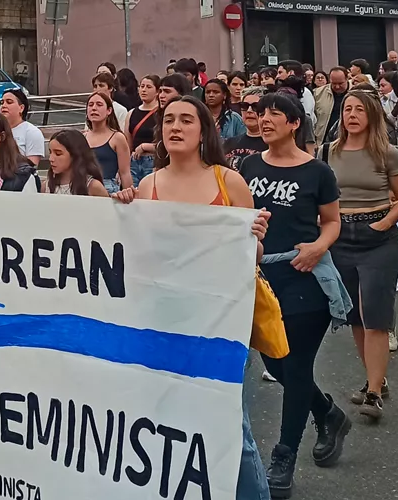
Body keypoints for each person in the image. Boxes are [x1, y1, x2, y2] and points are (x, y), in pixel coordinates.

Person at [113, 94, 272, 500]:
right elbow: (134, 253)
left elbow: (253, 256)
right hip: (160, 320)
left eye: (186, 119)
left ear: (204, 130)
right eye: (169, 120)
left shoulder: (227, 180)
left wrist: (255, 238)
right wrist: (121, 212)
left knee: (230, 425)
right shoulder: (147, 185)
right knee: (164, 417)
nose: (176, 127)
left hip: (218, 322)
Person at [241, 92, 350, 498]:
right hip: (261, 275)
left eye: (274, 114)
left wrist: (318, 247)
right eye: (259, 113)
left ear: (294, 123)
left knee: (297, 363)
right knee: (276, 361)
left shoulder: (317, 171)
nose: (264, 119)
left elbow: (332, 221)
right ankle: (327, 413)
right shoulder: (248, 165)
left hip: (305, 276)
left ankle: (284, 455)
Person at [323, 90, 398, 419]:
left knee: (375, 314)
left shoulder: (388, 154)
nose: (352, 114)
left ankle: (374, 393)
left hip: (378, 236)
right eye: (347, 109)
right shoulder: (327, 152)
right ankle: (376, 379)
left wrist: (385, 221)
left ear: (372, 115)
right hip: (341, 235)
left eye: (360, 109)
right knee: (355, 316)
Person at [83, 92, 131, 192]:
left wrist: (130, 198)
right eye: (90, 105)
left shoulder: (117, 138)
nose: (94, 108)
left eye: (99, 105)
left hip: (107, 188)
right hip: (84, 187)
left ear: (109, 110)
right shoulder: (83, 137)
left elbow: (125, 173)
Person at [44, 129, 108, 196]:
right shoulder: (46, 187)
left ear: (75, 155)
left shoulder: (93, 186)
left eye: (58, 154)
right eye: (50, 153)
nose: (51, 159)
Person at [127, 74, 161, 186]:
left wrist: (145, 147)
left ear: (157, 91)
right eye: (142, 86)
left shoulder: (161, 113)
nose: (144, 90)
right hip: (134, 161)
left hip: (153, 161)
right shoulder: (132, 113)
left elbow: (164, 144)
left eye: (148, 87)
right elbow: (127, 143)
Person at [225, 87, 268, 170]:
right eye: (244, 106)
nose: (249, 110)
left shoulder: (273, 145)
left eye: (255, 106)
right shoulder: (229, 143)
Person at [0, 89, 45, 166]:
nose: (3, 106)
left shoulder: (32, 132)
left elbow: (32, 166)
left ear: (21, 108)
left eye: (9, 102)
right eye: (2, 102)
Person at [313, 67, 349, 145]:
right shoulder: (317, 94)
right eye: (334, 83)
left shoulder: (356, 92)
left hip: (349, 141)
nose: (337, 87)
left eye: (340, 83)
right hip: (323, 143)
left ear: (347, 78)